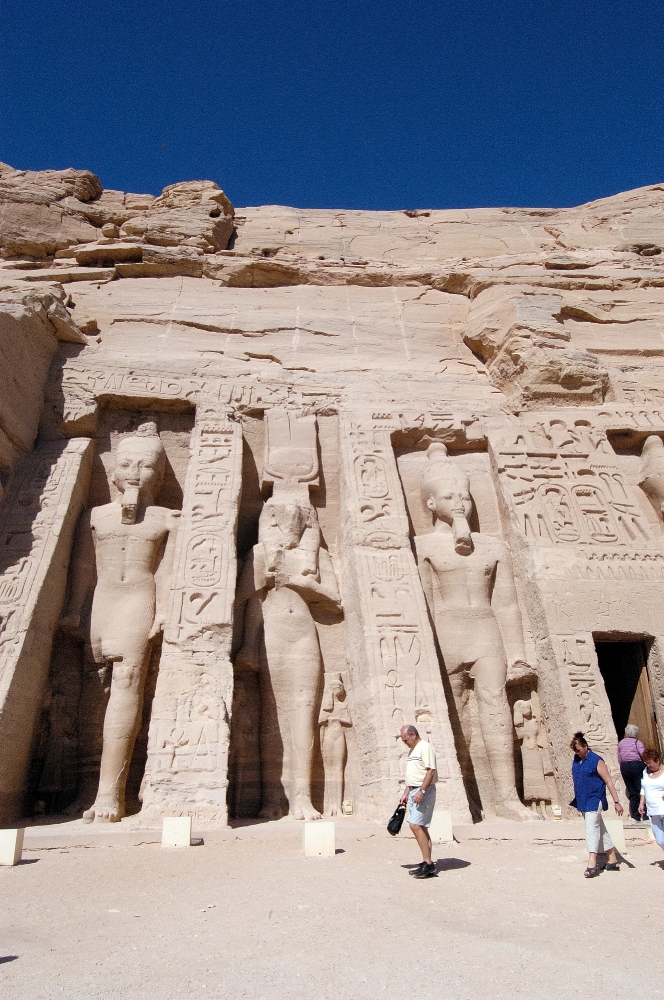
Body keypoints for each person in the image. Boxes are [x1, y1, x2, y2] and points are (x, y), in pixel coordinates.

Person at [570, 731, 624, 878]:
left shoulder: (596, 760)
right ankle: (612, 859)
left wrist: (616, 801)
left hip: (595, 799)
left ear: (585, 746)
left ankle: (592, 861)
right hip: (583, 800)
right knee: (600, 828)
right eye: (576, 751)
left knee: (591, 828)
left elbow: (608, 781)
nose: (578, 753)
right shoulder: (576, 760)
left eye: (579, 750)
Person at [399, 725, 438, 879]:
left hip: (423, 791)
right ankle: (427, 863)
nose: (405, 743)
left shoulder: (424, 747)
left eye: (406, 740)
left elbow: (430, 770)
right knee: (421, 826)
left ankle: (428, 863)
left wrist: (422, 790)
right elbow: (414, 773)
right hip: (414, 790)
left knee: (414, 825)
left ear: (413, 735)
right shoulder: (413, 750)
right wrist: (406, 792)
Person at [618, 724, 647, 822]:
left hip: (624, 767)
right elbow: (643, 755)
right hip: (636, 766)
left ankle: (635, 816)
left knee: (632, 791)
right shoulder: (637, 742)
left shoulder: (621, 743)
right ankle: (645, 815)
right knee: (641, 789)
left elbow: (619, 756)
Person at [639, 748, 664, 853]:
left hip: (662, 807)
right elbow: (643, 789)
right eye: (646, 763)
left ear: (658, 760)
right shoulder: (645, 772)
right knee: (660, 840)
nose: (649, 765)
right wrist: (641, 803)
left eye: (650, 763)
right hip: (653, 810)